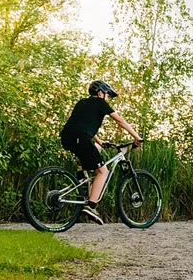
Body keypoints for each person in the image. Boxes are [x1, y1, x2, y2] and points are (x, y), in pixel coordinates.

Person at [60, 80, 142, 224]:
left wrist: (99, 142)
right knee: (103, 172)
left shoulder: (82, 103)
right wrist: (136, 137)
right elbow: (120, 121)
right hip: (82, 138)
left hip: (68, 138)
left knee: (96, 148)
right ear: (100, 93)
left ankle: (82, 175)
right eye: (107, 95)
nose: (108, 98)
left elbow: (81, 125)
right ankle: (91, 206)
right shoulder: (100, 103)